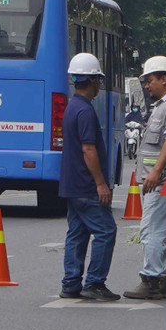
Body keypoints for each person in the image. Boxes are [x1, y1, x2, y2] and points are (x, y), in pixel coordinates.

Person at [58, 53, 119, 301]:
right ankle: (94, 282)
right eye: (98, 80)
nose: (99, 86)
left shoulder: (72, 107)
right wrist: (101, 183)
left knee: (78, 232)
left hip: (72, 184)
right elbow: (88, 149)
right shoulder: (85, 111)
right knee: (106, 231)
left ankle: (71, 283)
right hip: (86, 185)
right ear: (93, 80)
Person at [123, 56, 166, 301]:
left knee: (151, 230)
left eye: (150, 80)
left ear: (164, 79)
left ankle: (151, 278)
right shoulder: (161, 105)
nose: (147, 86)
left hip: (161, 181)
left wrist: (156, 172)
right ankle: (165, 280)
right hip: (160, 180)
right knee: (165, 233)